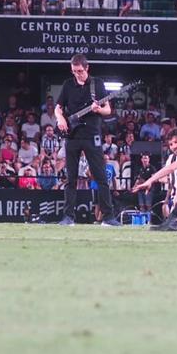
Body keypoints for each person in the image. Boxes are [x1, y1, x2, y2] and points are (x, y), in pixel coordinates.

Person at [54, 54, 120, 226]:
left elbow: (108, 110)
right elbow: (58, 108)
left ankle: (108, 217)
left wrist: (98, 110)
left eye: (80, 71)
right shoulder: (68, 84)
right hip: (72, 135)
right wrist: (60, 119)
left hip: (92, 135)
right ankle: (68, 217)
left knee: (100, 177)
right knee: (71, 178)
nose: (77, 74)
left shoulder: (97, 84)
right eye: (74, 71)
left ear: (87, 68)